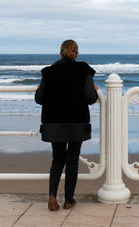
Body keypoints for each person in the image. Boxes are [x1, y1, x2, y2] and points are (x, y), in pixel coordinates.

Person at [35, 40, 98, 211]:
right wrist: (94, 88)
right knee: (72, 161)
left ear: (60, 53)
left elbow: (39, 99)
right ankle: (69, 200)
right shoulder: (84, 69)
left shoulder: (48, 72)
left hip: (54, 122)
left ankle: (52, 196)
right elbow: (91, 98)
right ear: (76, 53)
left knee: (57, 160)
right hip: (77, 122)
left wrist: (39, 88)